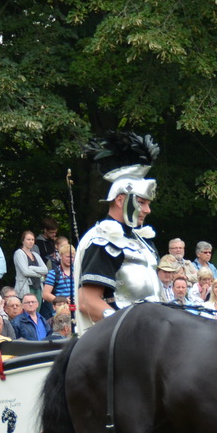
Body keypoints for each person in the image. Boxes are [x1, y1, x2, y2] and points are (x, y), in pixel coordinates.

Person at [75, 133, 161, 331]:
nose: (147, 210)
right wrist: (124, 328)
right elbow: (87, 300)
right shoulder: (104, 239)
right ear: (120, 200)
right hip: (119, 343)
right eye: (141, 202)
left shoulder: (142, 241)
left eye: (148, 204)